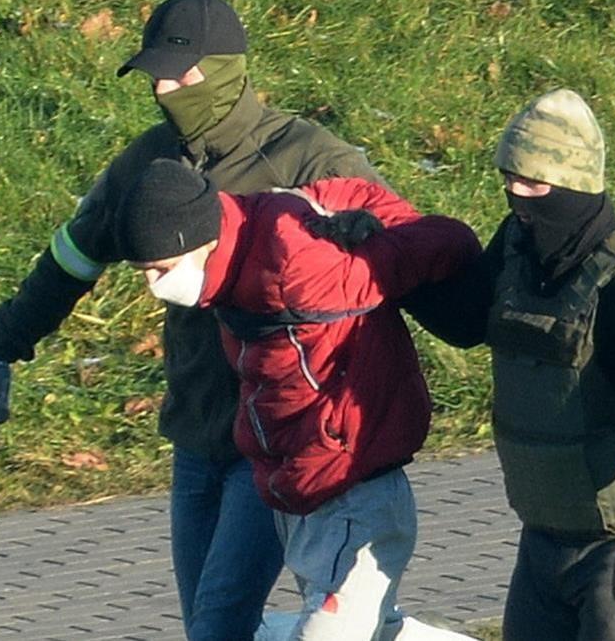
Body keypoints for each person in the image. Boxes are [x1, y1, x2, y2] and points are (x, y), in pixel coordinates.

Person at [0, 0, 385, 641]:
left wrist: (367, 235)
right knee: (207, 624)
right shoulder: (148, 164)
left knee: (218, 622)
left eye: (178, 74)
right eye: (154, 75)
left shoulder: (308, 159)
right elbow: (71, 260)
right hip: (195, 437)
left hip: (273, 440)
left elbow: (406, 256)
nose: (162, 88)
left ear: (225, 70)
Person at [114, 158, 482, 640]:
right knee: (373, 631)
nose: (153, 286)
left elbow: (442, 243)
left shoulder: (298, 267)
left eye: (159, 269)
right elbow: (332, 194)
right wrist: (349, 211)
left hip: (354, 496)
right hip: (297, 494)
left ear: (200, 240)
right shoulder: (240, 228)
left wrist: (379, 234)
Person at [403, 89, 615, 640]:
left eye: (534, 183)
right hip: (544, 536)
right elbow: (462, 323)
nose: (516, 196)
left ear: (574, 184)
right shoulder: (520, 243)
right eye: (509, 178)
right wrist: (382, 265)